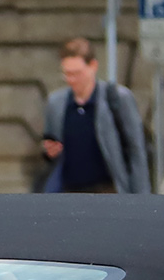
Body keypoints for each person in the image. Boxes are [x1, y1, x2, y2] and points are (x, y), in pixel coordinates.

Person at [40, 38, 150, 194]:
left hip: (108, 191)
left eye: (77, 73)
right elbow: (50, 152)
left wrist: (141, 196)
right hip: (67, 192)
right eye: (67, 74)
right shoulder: (56, 103)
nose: (71, 80)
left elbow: (136, 150)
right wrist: (49, 152)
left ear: (93, 66)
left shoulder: (117, 99)